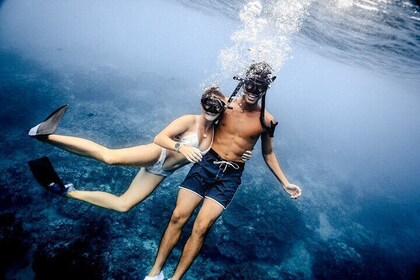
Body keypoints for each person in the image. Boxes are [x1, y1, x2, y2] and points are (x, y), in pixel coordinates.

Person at [145, 62, 302, 280]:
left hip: (230, 176)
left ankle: (175, 278)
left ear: (266, 89)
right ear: (243, 82)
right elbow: (202, 121)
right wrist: (183, 144)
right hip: (206, 164)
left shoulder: (268, 120)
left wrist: (285, 182)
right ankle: (155, 273)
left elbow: (268, 153)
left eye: (259, 87)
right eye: (250, 85)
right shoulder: (224, 105)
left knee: (201, 227)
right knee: (178, 216)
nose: (253, 92)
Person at [28, 86, 252, 212]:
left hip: (161, 171)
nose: (210, 109)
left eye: (216, 106)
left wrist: (244, 153)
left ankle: (67, 191)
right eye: (207, 103)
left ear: (223, 109)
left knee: (123, 205)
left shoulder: (216, 133)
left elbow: (228, 148)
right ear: (201, 103)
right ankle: (46, 135)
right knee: (110, 157)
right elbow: (159, 138)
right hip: (158, 153)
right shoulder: (189, 120)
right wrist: (180, 148)